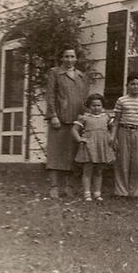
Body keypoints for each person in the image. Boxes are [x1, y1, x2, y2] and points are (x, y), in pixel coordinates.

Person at [44, 46, 88, 199]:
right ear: (61, 58)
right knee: (55, 153)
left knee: (72, 154)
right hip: (59, 119)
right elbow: (50, 96)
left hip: (76, 120)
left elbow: (84, 99)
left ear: (76, 58)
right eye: (66, 56)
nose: (69, 60)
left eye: (72, 56)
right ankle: (54, 187)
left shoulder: (81, 76)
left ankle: (68, 186)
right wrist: (53, 116)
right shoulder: (54, 73)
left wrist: (84, 117)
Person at [110, 72, 138, 199]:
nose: (135, 87)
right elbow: (116, 121)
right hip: (123, 131)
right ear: (127, 85)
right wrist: (114, 137)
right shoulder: (121, 100)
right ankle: (121, 191)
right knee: (122, 162)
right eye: (132, 84)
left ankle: (135, 192)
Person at [72, 93, 115, 202]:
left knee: (99, 171)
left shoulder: (106, 117)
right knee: (88, 170)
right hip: (89, 146)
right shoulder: (85, 117)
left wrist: (112, 137)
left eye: (99, 105)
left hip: (101, 146)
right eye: (93, 106)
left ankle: (97, 193)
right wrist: (79, 139)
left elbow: (113, 127)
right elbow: (74, 129)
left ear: (103, 106)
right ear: (89, 106)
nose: (96, 108)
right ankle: (87, 193)